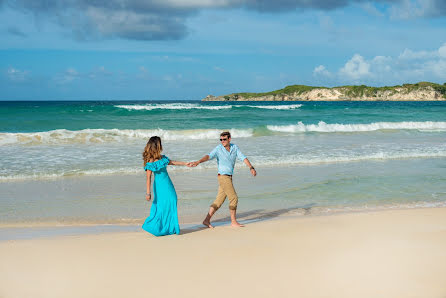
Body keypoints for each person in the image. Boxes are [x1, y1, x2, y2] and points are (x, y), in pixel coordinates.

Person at [191, 131, 256, 228]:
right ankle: (233, 222)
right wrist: (198, 161)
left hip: (229, 177)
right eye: (221, 139)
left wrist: (251, 167)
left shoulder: (235, 147)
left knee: (219, 201)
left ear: (229, 139)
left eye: (224, 139)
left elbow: (243, 158)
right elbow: (208, 156)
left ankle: (206, 220)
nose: (222, 141)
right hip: (223, 177)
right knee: (234, 198)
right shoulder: (218, 149)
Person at [142, 136, 190, 236]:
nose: (161, 145)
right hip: (159, 187)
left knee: (173, 200)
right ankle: (159, 227)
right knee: (161, 206)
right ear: (157, 146)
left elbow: (173, 162)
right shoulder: (150, 162)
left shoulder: (162, 158)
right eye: (160, 143)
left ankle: (170, 228)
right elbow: (148, 178)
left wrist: (185, 163)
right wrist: (148, 193)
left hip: (168, 184)